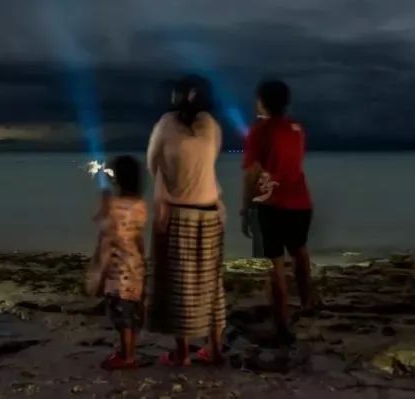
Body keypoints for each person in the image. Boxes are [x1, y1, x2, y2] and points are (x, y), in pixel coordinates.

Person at [146, 75, 227, 367]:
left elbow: (152, 163)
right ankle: (215, 348)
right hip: (211, 210)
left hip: (178, 212)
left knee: (178, 284)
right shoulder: (213, 126)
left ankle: (182, 353)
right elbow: (210, 162)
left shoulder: (166, 124)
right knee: (211, 283)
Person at [240, 79, 314, 344]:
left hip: (269, 204)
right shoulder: (297, 129)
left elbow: (252, 174)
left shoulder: (259, 132)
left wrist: (244, 208)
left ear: (262, 101)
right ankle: (307, 304)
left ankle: (282, 327)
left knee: (275, 266)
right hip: (301, 201)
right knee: (300, 252)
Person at [86, 155, 148, 370]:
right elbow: (138, 235)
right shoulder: (140, 205)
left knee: (121, 315)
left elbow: (105, 229)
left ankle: (127, 355)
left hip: (117, 267)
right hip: (135, 265)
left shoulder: (113, 206)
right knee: (132, 309)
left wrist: (98, 271)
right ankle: (129, 351)